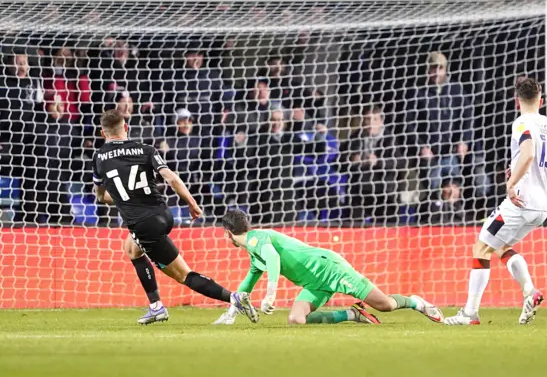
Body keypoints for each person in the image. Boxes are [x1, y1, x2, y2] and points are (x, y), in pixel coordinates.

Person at [92, 110, 259, 325]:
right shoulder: (147, 149)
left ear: (102, 133)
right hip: (163, 213)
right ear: (126, 128)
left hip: (143, 223)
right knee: (132, 248)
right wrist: (191, 203)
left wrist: (123, 197)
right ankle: (155, 306)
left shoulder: (98, 157)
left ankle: (234, 299)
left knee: (183, 275)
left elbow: (101, 196)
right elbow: (171, 178)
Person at [444, 78, 547, 326]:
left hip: (521, 201)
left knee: (480, 249)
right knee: (497, 247)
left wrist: (511, 183)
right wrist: (524, 171)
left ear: (516, 100)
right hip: (542, 206)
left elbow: (529, 153)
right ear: (540, 100)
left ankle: (470, 313)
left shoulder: (521, 123)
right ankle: (530, 292)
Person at [213, 209, 444, 326]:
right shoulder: (254, 252)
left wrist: (270, 295)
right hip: (314, 283)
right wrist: (232, 312)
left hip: (330, 269)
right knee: (296, 319)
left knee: (385, 305)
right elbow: (245, 287)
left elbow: (273, 259)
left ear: (227, 233)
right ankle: (352, 314)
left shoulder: (257, 239)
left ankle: (417, 302)